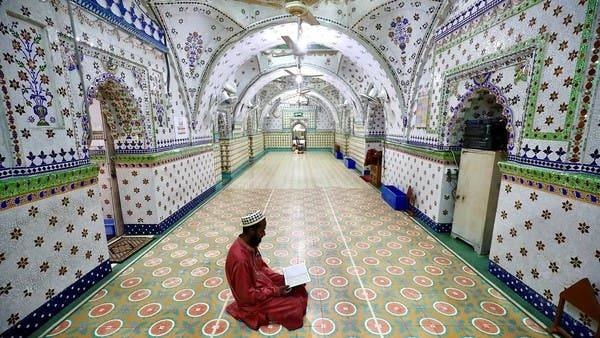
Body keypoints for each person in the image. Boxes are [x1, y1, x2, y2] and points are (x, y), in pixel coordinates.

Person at [225, 210, 308, 330]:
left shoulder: (249, 244)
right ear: (251, 230)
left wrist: (283, 278)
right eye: (262, 230)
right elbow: (246, 297)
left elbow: (262, 268)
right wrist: (275, 291)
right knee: (296, 305)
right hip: (252, 303)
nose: (264, 234)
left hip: (262, 285)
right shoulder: (240, 260)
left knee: (298, 286)